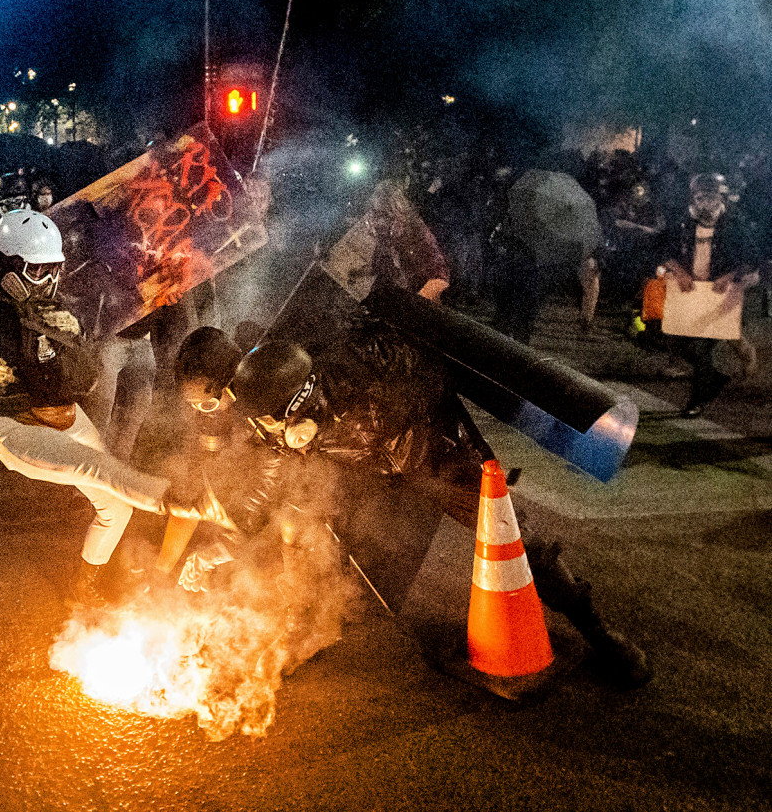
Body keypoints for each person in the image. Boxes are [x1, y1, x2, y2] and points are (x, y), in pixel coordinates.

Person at [222, 338, 651, 688]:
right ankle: (305, 626)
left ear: (305, 398)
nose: (270, 431)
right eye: (264, 423)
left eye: (275, 421)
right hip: (365, 470)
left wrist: (349, 426)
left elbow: (425, 381)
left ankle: (598, 633)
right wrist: (240, 518)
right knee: (300, 524)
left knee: (518, 541)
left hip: (435, 457)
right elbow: (272, 464)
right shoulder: (275, 418)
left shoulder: (365, 366)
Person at [0, 209, 215, 604]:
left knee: (116, 506)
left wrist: (76, 334)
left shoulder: (61, 303)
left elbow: (85, 376)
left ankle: (83, 588)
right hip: (12, 423)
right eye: (39, 271)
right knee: (99, 468)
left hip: (64, 414)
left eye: (55, 269)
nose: (50, 281)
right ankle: (174, 498)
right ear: (7, 266)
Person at [659, 174, 760, 417]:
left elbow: (751, 258)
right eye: (700, 196)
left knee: (702, 348)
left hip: (720, 295)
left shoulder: (734, 223)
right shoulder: (682, 221)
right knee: (680, 342)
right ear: (693, 197)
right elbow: (662, 249)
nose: (705, 202)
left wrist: (729, 275)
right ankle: (716, 378)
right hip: (689, 294)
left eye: (711, 196)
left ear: (720, 197)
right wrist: (678, 269)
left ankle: (696, 402)